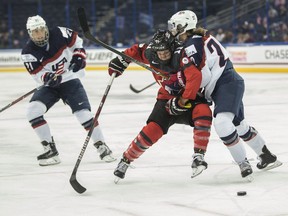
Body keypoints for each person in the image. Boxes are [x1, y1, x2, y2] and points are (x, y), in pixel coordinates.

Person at [167, 10, 282, 179]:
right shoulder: (199, 39)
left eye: (174, 26)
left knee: (222, 123)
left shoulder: (192, 44)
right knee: (239, 125)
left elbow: (202, 76)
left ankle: (243, 163)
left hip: (225, 84)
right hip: (228, 82)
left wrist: (184, 86)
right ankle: (267, 157)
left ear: (183, 26)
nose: (172, 30)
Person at [108, 29, 213, 182]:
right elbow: (136, 50)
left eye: (165, 51)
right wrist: (121, 60)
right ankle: (126, 160)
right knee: (153, 129)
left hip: (189, 97)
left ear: (171, 47)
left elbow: (195, 78)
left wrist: (182, 101)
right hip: (166, 98)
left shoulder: (182, 54)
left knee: (204, 112)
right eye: (159, 52)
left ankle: (199, 156)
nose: (162, 55)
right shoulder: (151, 53)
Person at [21, 15, 116, 166]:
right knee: (33, 111)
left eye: (40, 30)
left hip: (70, 79)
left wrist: (79, 56)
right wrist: (47, 77)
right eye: (34, 32)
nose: (38, 34)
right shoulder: (27, 52)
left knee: (83, 114)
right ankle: (50, 150)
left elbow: (77, 41)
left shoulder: (59, 33)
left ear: (45, 28)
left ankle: (102, 146)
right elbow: (37, 74)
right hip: (50, 85)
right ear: (29, 33)